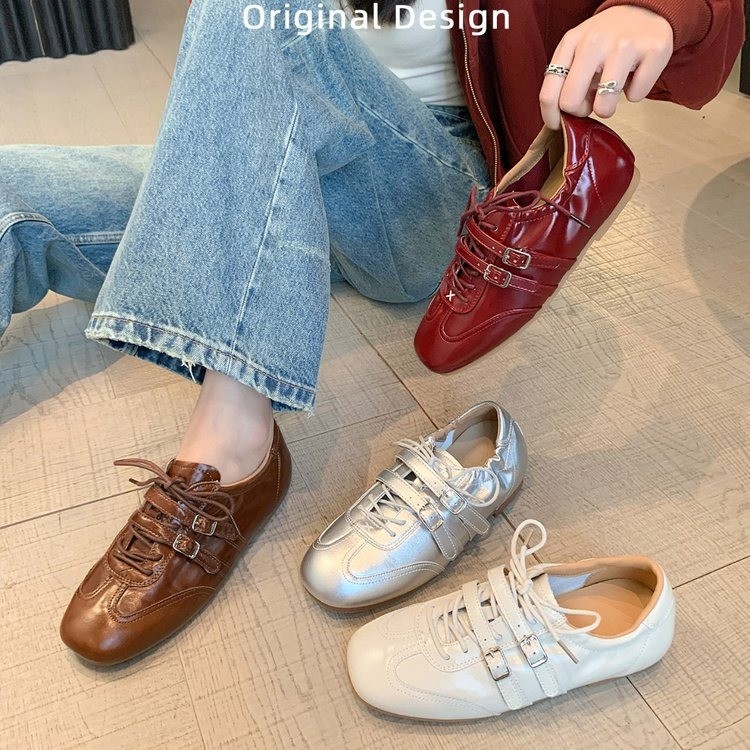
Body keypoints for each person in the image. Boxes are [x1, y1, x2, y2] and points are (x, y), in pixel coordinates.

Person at [0, 0, 743, 661]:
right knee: (10, 186)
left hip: (425, 181)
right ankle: (274, 221)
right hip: (275, 130)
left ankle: (234, 442)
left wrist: (650, 12)